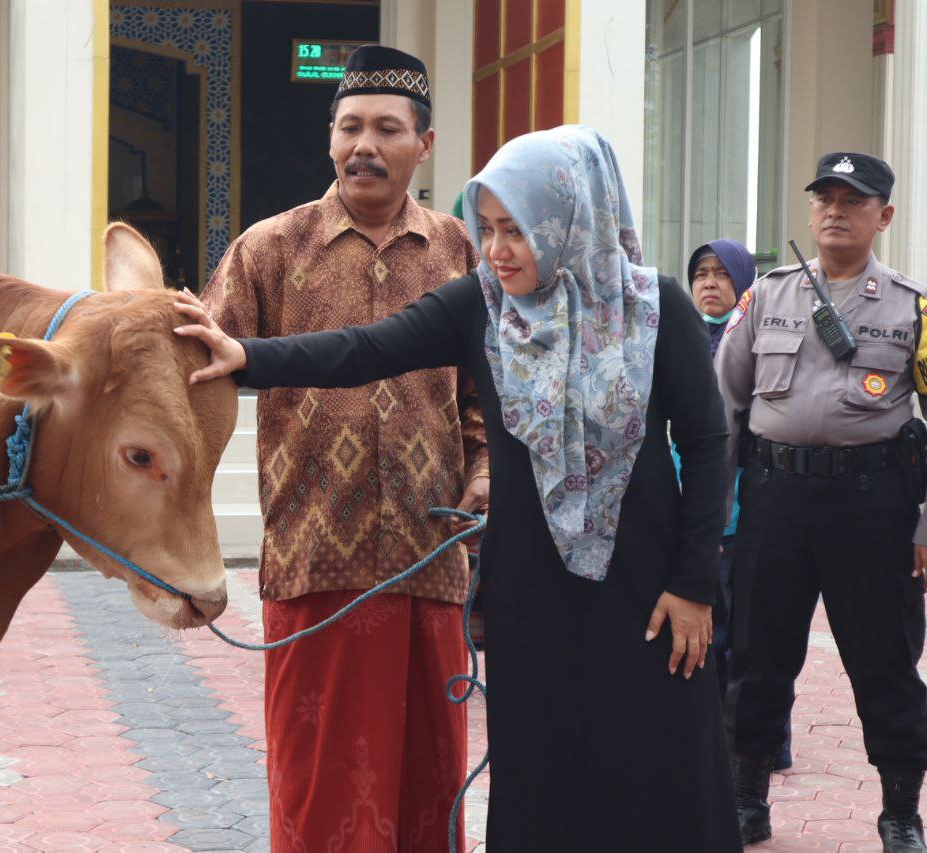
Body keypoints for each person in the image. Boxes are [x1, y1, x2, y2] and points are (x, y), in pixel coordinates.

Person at [180, 124, 742, 852]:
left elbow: (707, 446)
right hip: (530, 589)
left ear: (568, 221)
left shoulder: (656, 307)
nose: (499, 249)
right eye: (488, 228)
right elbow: (365, 348)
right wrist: (244, 355)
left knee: (656, 760)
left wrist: (695, 583)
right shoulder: (481, 306)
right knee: (541, 767)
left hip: (647, 586)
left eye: (518, 230)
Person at [200, 44, 489, 849]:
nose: (365, 144)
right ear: (330, 138)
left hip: (430, 553)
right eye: (350, 126)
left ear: (423, 146)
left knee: (430, 780)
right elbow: (199, 370)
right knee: (318, 781)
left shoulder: (461, 252)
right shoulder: (269, 248)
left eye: (387, 129)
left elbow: (485, 395)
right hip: (312, 550)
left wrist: (487, 468)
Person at [716, 152, 927, 852]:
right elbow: (723, 409)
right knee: (757, 652)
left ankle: (900, 810)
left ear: (884, 216)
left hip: (873, 504)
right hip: (775, 497)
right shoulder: (766, 297)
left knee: (885, 659)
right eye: (824, 197)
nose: (835, 210)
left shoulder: (913, 307)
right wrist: (711, 517)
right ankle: (746, 797)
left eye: (854, 200)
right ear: (810, 210)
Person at [682, 239, 795, 770]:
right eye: (701, 273)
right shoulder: (677, 338)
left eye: (722, 274)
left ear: (744, 282)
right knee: (709, 630)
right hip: (691, 509)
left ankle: (760, 746)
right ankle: (709, 736)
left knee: (750, 635)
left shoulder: (756, 340)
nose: (709, 282)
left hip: (744, 511)